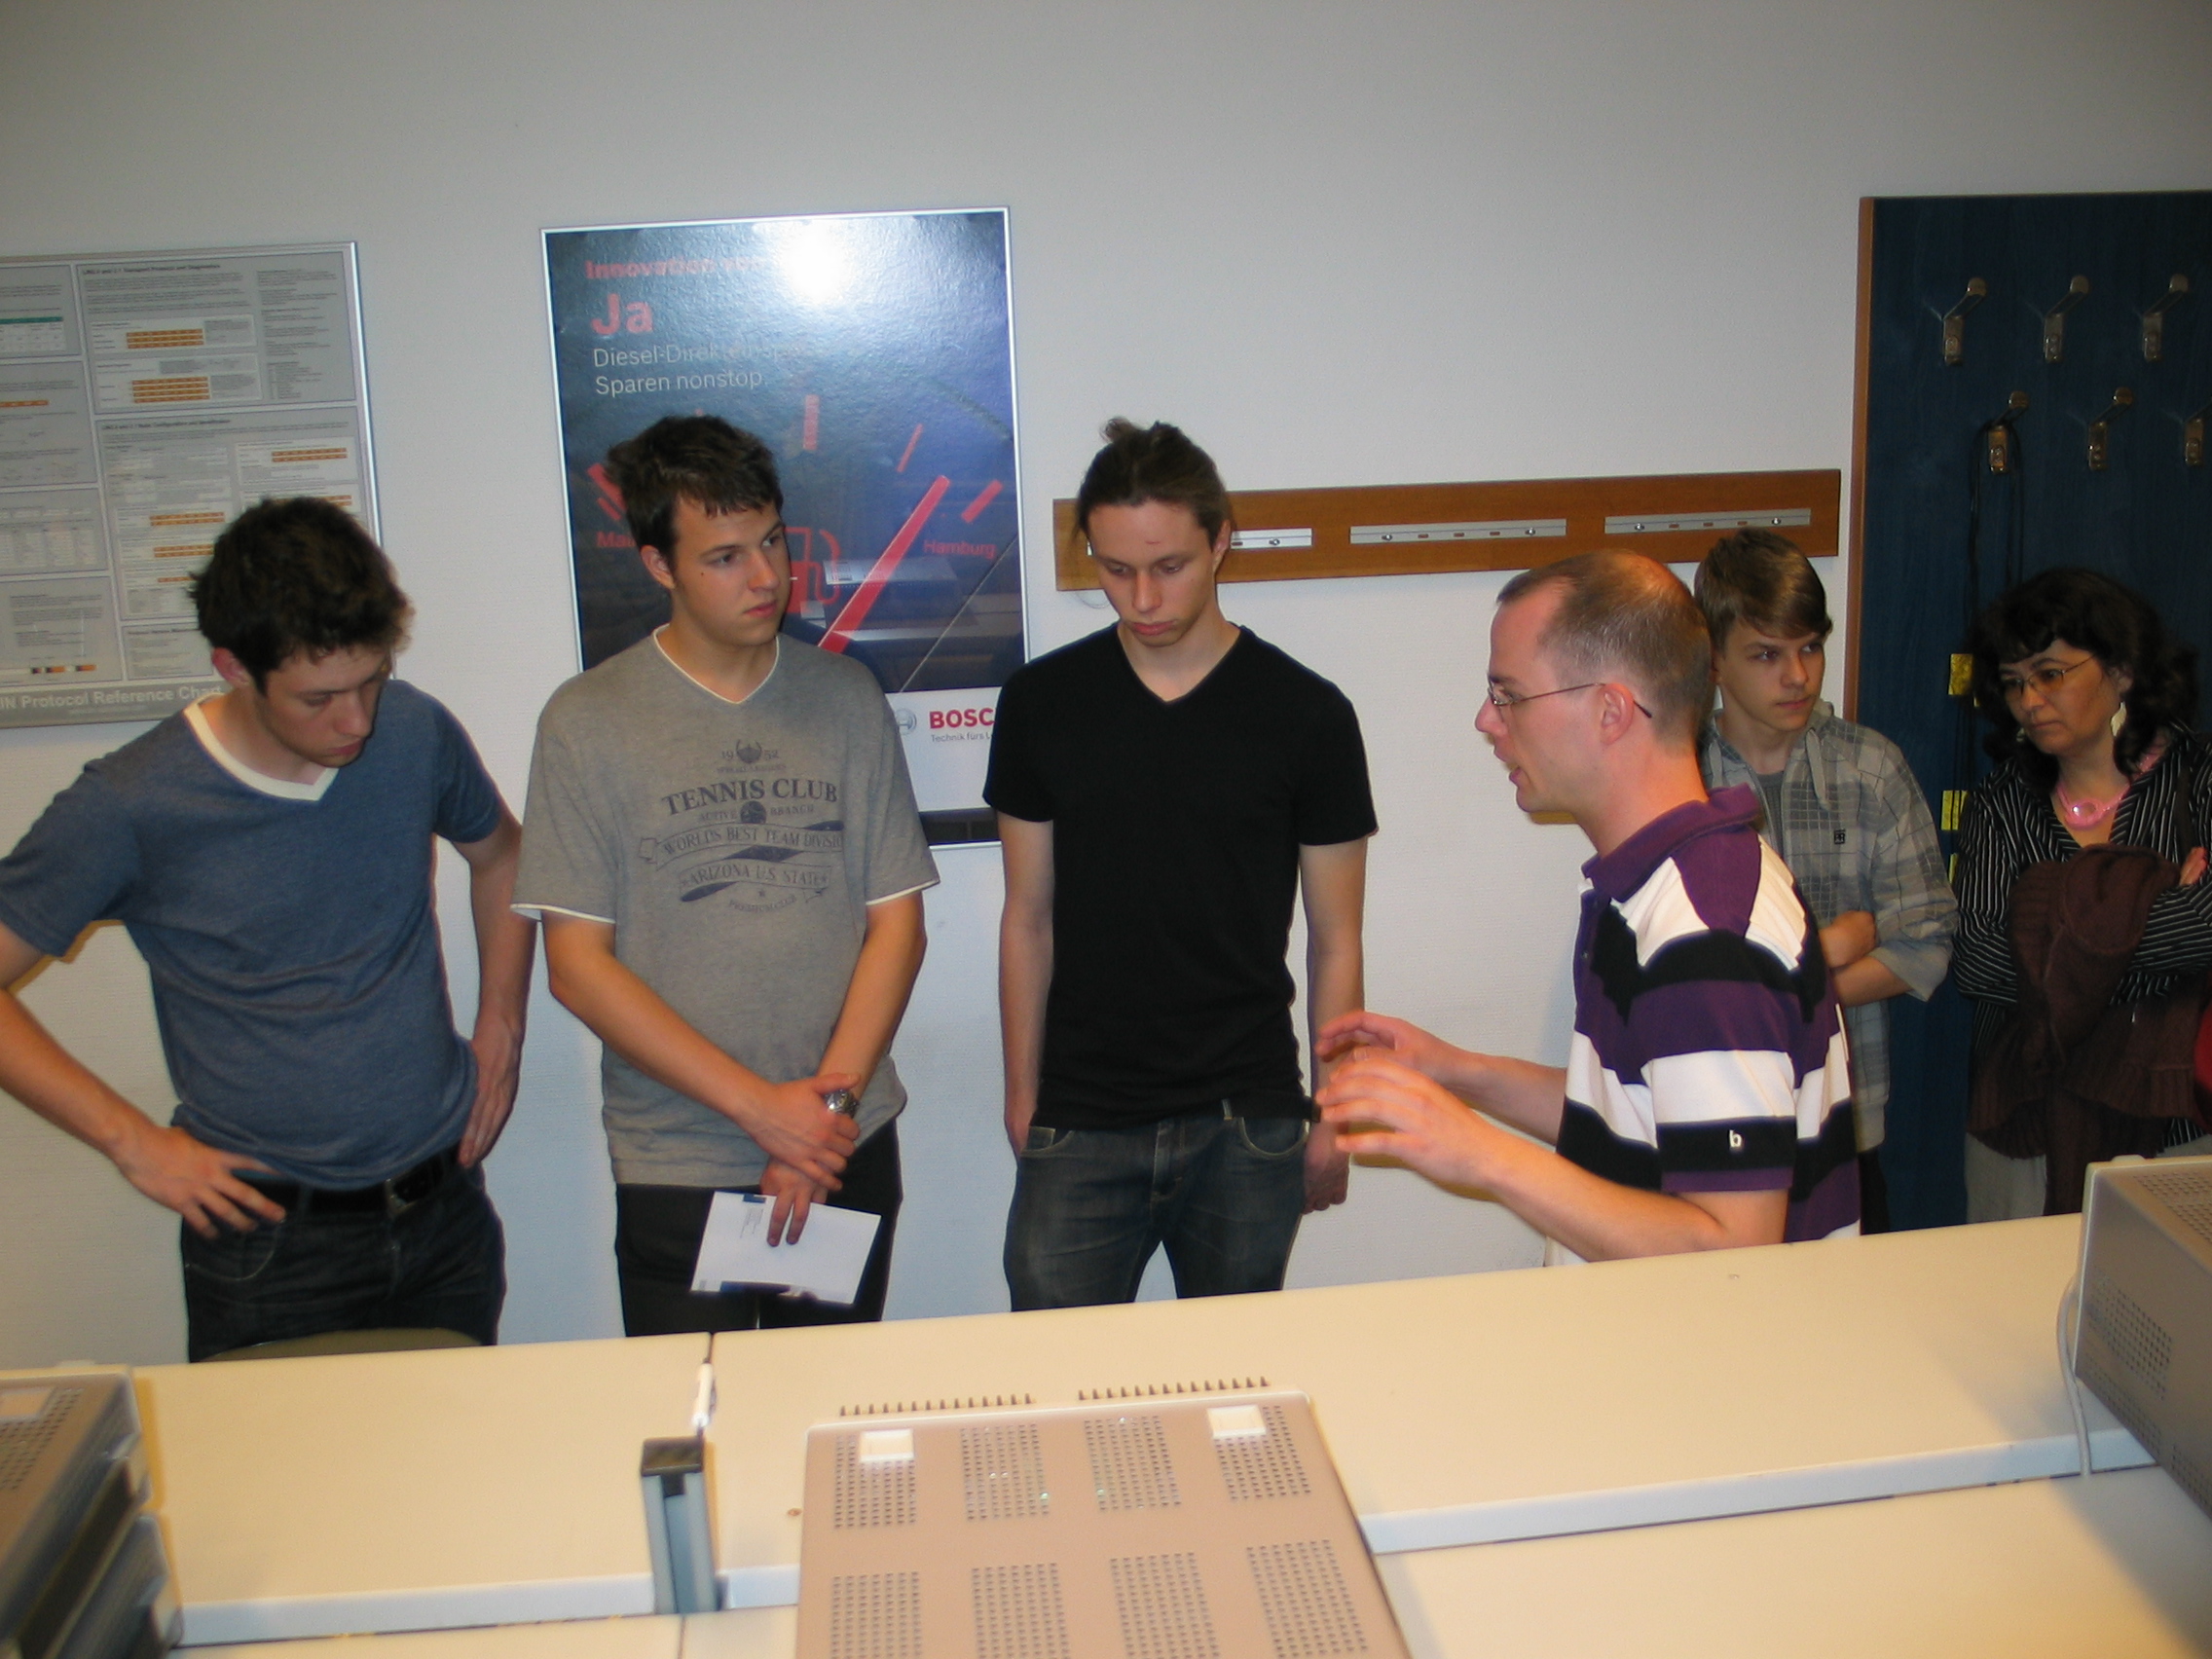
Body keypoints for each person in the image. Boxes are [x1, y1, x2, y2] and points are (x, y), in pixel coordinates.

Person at [0, 497, 535, 1360]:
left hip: (444, 1213)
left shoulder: (414, 730)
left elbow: (503, 855)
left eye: (371, 679)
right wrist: (133, 1144)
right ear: (233, 668)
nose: (356, 721)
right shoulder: (132, 803)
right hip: (270, 1243)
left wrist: (501, 1028)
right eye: (319, 697)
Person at [516, 414, 936, 1335]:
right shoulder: (586, 721)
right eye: (724, 557)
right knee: (693, 1409)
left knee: (829, 1410)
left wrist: (821, 1117)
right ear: (659, 565)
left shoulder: (846, 698)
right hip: (679, 1161)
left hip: (842, 1144)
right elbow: (577, 967)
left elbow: (897, 926)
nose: (766, 576)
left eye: (773, 542)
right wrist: (764, 1114)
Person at [1317, 550, 1859, 1263]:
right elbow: (1631, 1114)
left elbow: (1732, 1252)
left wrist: (1482, 1154)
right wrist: (1453, 1070)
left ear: (1610, 711)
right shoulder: (1660, 884)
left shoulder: (1706, 934)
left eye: (1508, 694)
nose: (1486, 719)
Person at [985, 418, 1375, 1309]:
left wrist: (1334, 1111)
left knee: (1235, 1380)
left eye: (1169, 566)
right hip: (1081, 1115)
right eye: (1115, 569)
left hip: (1248, 1119)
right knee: (1058, 1374)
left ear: (1221, 542)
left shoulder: (1307, 714)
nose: (1142, 599)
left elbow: (1336, 939)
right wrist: (1021, 1095)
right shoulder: (1042, 703)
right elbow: (1027, 917)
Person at [1694, 531, 1956, 1232]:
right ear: (1713, 659)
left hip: (1846, 1119)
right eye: (1767, 655)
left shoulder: (1871, 768)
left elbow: (1925, 945)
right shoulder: (1680, 779)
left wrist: (1790, 992)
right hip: (1715, 1121)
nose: (1799, 677)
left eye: (1810, 647)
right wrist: (1831, 950)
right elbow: (1682, 970)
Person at [1953, 568, 2212, 1220]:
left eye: (2051, 674)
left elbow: (2207, 928)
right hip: (2024, 1120)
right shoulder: (2002, 802)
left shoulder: (2200, 781)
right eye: (2014, 682)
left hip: (2178, 1118)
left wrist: (2046, 927)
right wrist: (2152, 911)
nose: (2030, 700)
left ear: (2121, 671)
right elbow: (1977, 960)